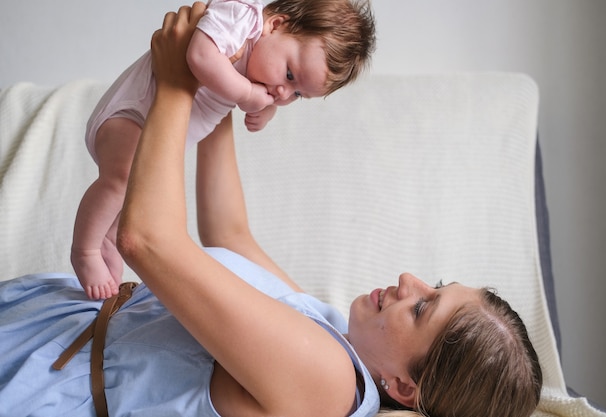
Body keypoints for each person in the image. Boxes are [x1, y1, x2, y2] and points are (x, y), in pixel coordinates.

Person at [0, 4, 542, 417]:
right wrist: (227, 84)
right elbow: (230, 234)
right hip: (53, 323)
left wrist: (176, 85)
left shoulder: (327, 381)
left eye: (423, 309)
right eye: (435, 284)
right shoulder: (325, 329)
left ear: (404, 387)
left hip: (44, 377)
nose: (410, 280)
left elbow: (147, 240)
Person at [71, 0, 376, 299]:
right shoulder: (240, 16)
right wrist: (245, 93)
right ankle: (84, 250)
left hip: (151, 133)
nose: (282, 93)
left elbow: (262, 89)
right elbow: (200, 55)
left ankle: (108, 238)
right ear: (274, 24)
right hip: (129, 114)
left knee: (136, 194)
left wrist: (266, 108)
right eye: (289, 75)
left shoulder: (266, 73)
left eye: (297, 94)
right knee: (122, 177)